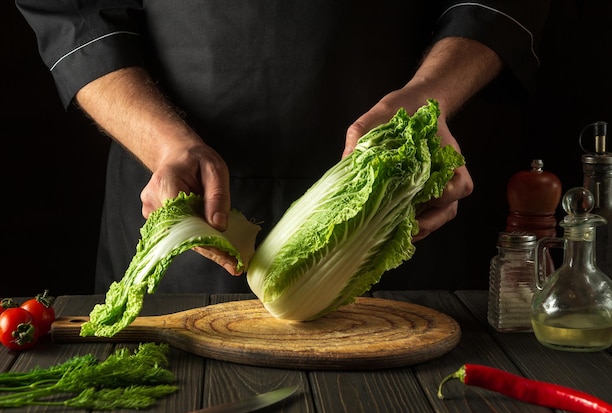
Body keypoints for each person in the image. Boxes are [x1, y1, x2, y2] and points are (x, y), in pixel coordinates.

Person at [16, 1, 551, 294]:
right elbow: (73, 10)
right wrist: (163, 142)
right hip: (182, 205)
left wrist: (429, 100)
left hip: (389, 206)